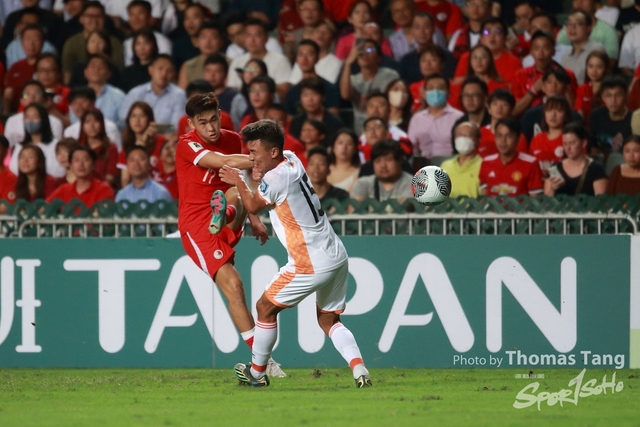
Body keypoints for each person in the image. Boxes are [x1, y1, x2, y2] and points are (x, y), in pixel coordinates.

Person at [217, 119, 371, 388]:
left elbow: (252, 203)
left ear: (273, 151)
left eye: (254, 152)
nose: (251, 158)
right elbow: (266, 182)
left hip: (309, 260)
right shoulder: (291, 158)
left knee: (264, 308)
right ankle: (360, 370)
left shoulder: (276, 178)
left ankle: (257, 373)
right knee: (328, 319)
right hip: (336, 254)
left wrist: (237, 180)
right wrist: (256, 171)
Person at [175, 92, 283, 378]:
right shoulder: (186, 144)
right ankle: (264, 360)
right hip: (198, 226)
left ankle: (225, 214)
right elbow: (222, 161)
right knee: (234, 286)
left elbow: (243, 181)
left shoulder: (233, 139)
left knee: (234, 190)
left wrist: (254, 217)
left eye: (214, 119)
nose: (211, 127)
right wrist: (264, 159)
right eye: (203, 123)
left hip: (227, 212)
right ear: (191, 124)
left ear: (220, 115)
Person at [340, 39, 400, 134]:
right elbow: (345, 95)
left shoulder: (390, 76)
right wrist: (348, 63)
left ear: (379, 58)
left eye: (370, 50)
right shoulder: (353, 79)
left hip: (385, 130)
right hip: (361, 132)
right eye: (361, 50)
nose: (364, 53)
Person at [512, 30, 577, 117]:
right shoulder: (520, 75)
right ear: (531, 52)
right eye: (536, 48)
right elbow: (514, 111)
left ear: (553, 51)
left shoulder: (567, 74)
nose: (541, 53)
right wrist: (533, 90)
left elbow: (574, 109)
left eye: (545, 48)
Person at [226, 19, 292, 101]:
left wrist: (261, 81)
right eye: (248, 36)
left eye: (257, 35)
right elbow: (231, 90)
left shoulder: (280, 60)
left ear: (266, 38)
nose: (252, 40)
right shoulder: (237, 61)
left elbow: (284, 91)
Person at [61, 1, 124, 84]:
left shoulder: (114, 42)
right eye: (89, 16)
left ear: (104, 19)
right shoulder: (71, 43)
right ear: (81, 19)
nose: (94, 20)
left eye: (98, 16)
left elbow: (119, 71)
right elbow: (67, 74)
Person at [120, 54, 187, 131]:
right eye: (160, 68)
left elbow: (175, 127)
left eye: (169, 71)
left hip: (165, 137)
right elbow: (124, 119)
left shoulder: (179, 95)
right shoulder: (135, 93)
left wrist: (149, 127)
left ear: (173, 74)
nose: (164, 74)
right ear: (150, 70)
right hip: (137, 135)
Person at [479, 117, 543, 197]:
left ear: (518, 139)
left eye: (508, 136)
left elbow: (535, 200)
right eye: (499, 136)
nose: (503, 141)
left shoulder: (531, 163)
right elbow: (484, 197)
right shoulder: (486, 162)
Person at [408, 74, 463, 163]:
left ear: (449, 93)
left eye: (440, 88)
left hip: (450, 163)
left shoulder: (458, 117)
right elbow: (412, 147)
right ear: (424, 94)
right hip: (423, 164)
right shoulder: (417, 118)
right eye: (431, 88)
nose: (435, 92)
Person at [544, 122, 608, 196]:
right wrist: (552, 189)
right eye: (565, 144)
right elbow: (546, 201)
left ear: (584, 143)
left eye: (572, 143)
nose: (568, 148)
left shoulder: (596, 169)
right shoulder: (555, 168)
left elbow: (601, 200)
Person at [284, 40, 341, 117]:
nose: (304, 59)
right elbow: (290, 119)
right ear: (296, 59)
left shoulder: (329, 88)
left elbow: (333, 116)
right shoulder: (292, 92)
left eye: (310, 54)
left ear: (317, 58)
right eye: (301, 55)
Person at [589, 75, 633, 171]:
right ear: (603, 97)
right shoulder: (596, 115)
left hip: (625, 166)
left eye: (618, 95)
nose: (613, 100)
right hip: (599, 166)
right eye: (608, 95)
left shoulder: (633, 119)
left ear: (626, 96)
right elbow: (593, 147)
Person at [46, 145, 115, 206]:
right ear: (70, 165)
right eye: (76, 160)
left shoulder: (104, 189)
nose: (81, 164)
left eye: (86, 160)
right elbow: (44, 207)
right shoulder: (63, 189)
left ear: (93, 165)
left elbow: (101, 213)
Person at [556, 0, 619, 66]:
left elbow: (609, 63)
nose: (579, 2)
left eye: (579, 24)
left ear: (596, 4)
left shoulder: (608, 31)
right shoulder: (565, 33)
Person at [399, 12, 457, 84]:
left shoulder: (446, 56)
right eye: (417, 28)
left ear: (433, 29)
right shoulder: (406, 61)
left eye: (426, 27)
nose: (422, 32)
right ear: (412, 31)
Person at [10, 102, 64, 178]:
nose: (30, 121)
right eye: (27, 117)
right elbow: (14, 169)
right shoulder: (19, 146)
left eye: (35, 117)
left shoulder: (56, 145)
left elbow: (59, 170)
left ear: (44, 120)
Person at [288, 77, 344, 146]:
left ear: (323, 97)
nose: (310, 99)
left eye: (314, 94)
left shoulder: (334, 122)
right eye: (305, 95)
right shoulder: (296, 122)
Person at [3, 24, 45, 113]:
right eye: (28, 39)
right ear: (22, 43)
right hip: (16, 112)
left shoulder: (47, 65)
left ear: (42, 42)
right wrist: (5, 112)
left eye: (36, 39)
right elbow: (8, 94)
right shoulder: (15, 67)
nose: (31, 44)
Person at [63, 86, 121, 150]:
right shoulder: (69, 131)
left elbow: (118, 151)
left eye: (83, 101)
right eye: (75, 102)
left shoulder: (109, 127)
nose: (79, 106)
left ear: (93, 102)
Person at [528, 96, 574, 176]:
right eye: (549, 110)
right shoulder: (537, 138)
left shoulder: (572, 138)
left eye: (558, 111)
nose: (553, 115)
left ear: (566, 115)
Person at [560, 9, 606, 85]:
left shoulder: (596, 49)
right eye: (569, 24)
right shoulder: (565, 55)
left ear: (589, 28)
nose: (572, 28)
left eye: (578, 24)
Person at [122, 0, 172, 67]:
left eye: (140, 13)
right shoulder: (126, 43)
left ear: (149, 16)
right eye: (132, 15)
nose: (136, 18)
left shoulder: (163, 42)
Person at [441, 121, 482, 198]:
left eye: (468, 135)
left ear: (477, 140)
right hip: (448, 206)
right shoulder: (445, 165)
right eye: (459, 135)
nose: (463, 138)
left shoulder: (483, 165)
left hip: (473, 205)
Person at [177, 21, 224, 89]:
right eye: (204, 37)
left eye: (213, 38)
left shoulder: (231, 63)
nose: (208, 42)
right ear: (197, 41)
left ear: (221, 41)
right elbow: (182, 92)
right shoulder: (188, 66)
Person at [78, 109, 118, 187]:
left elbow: (110, 177)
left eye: (96, 121)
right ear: (83, 126)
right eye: (87, 122)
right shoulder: (78, 148)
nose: (92, 126)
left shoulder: (110, 148)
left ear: (102, 124)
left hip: (102, 189)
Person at [451, 77, 491, 145]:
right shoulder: (460, 124)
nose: (469, 99)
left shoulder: (493, 121)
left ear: (485, 98)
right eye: (466, 95)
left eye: (474, 95)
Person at [117, 29, 158, 93]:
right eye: (138, 44)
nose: (142, 48)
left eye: (146, 43)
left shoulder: (158, 70)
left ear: (153, 46)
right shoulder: (127, 72)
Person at [575, 50, 610, 124]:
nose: (594, 70)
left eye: (599, 67)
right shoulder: (582, 88)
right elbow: (579, 113)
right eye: (590, 66)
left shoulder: (610, 89)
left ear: (606, 69)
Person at [327, 129, 361, 193]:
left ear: (355, 149)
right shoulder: (323, 169)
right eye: (340, 143)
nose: (344, 147)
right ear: (333, 147)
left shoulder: (359, 173)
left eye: (349, 144)